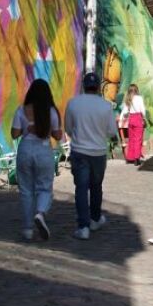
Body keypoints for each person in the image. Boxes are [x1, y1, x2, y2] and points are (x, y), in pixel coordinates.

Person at [65, 72, 118, 241]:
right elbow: (111, 131)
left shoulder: (73, 104)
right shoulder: (106, 106)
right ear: (98, 87)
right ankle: (95, 219)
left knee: (81, 189)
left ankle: (83, 227)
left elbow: (68, 128)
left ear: (84, 85)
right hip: (98, 153)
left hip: (79, 151)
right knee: (96, 187)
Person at [11, 79, 63, 241]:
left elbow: (14, 134)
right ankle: (40, 213)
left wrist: (27, 128)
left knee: (26, 190)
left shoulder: (21, 110)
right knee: (45, 188)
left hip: (25, 149)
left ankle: (27, 230)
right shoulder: (52, 112)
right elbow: (58, 135)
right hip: (43, 150)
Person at [119, 84, 146, 165]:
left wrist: (121, 119)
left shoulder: (128, 99)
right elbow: (142, 109)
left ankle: (130, 158)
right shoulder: (139, 98)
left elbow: (124, 112)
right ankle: (137, 159)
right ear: (136, 90)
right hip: (138, 118)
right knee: (138, 139)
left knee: (132, 139)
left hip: (131, 120)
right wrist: (144, 118)